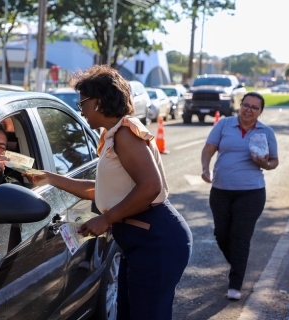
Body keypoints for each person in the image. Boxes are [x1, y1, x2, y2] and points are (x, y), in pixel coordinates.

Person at [24, 65, 192, 319]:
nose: (81, 111)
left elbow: (151, 187)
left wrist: (106, 219)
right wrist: (50, 178)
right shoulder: (114, 134)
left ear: (98, 102)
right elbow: (99, 191)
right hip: (141, 240)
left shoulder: (125, 133)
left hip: (156, 240)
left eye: (82, 103)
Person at [201, 92, 279, 301]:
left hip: (251, 192)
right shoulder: (224, 125)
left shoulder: (266, 132)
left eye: (254, 107)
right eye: (246, 105)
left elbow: (274, 162)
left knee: (240, 236)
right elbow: (208, 149)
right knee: (221, 234)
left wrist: (264, 164)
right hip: (221, 191)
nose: (249, 110)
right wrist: (205, 168)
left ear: (261, 112)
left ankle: (235, 283)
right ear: (240, 106)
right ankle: (239, 263)